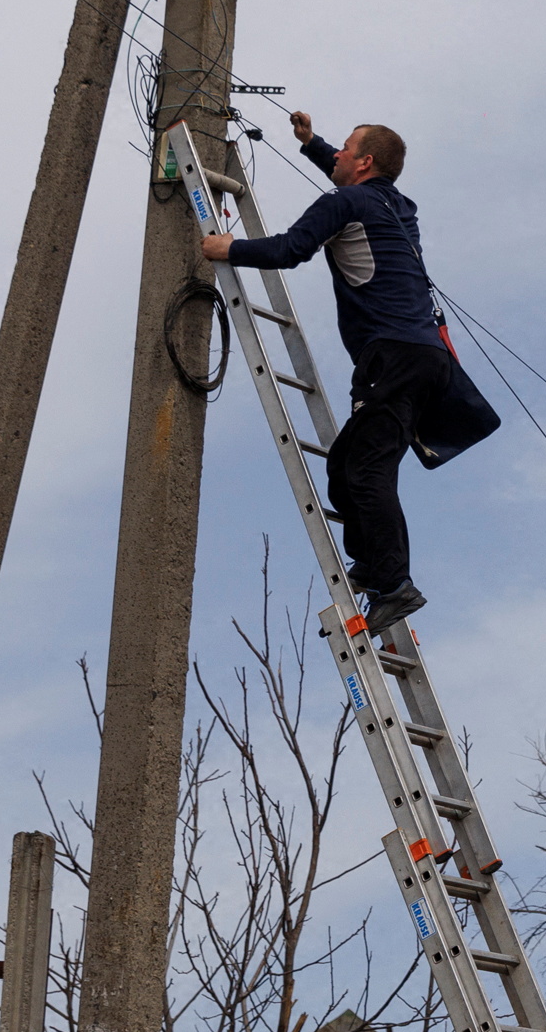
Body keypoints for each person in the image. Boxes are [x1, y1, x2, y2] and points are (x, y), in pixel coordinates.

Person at [200, 106, 492, 642]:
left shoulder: (348, 201)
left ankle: (394, 583)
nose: (336, 156)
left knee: (367, 473)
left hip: (395, 358)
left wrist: (228, 248)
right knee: (344, 468)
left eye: (344, 151)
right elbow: (350, 178)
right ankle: (375, 568)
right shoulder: (396, 205)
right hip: (422, 360)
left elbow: (291, 249)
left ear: (365, 163)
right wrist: (312, 144)